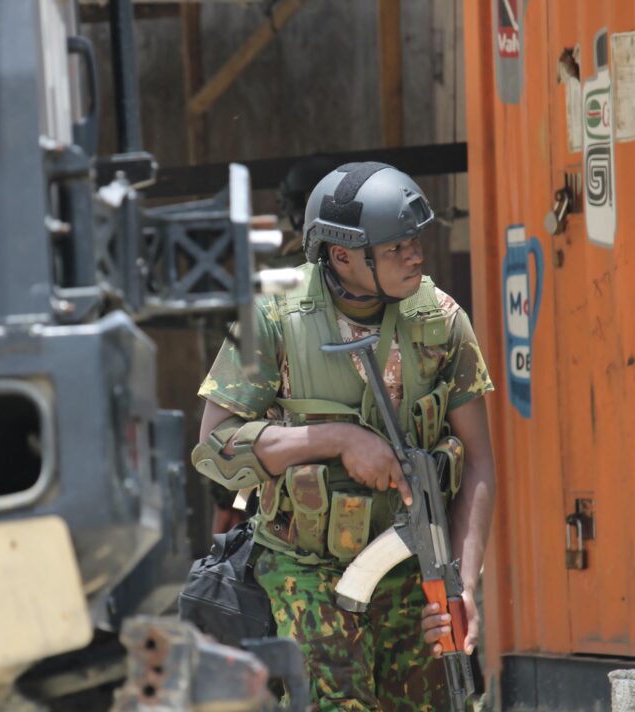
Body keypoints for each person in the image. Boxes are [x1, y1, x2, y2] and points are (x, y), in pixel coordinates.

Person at [191, 162, 496, 710]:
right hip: (303, 566)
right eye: (396, 245)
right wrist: (336, 439)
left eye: (415, 240)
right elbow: (215, 448)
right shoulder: (271, 316)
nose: (415, 254)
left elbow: (478, 464)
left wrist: (463, 584)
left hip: (415, 567)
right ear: (341, 255)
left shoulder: (442, 320)